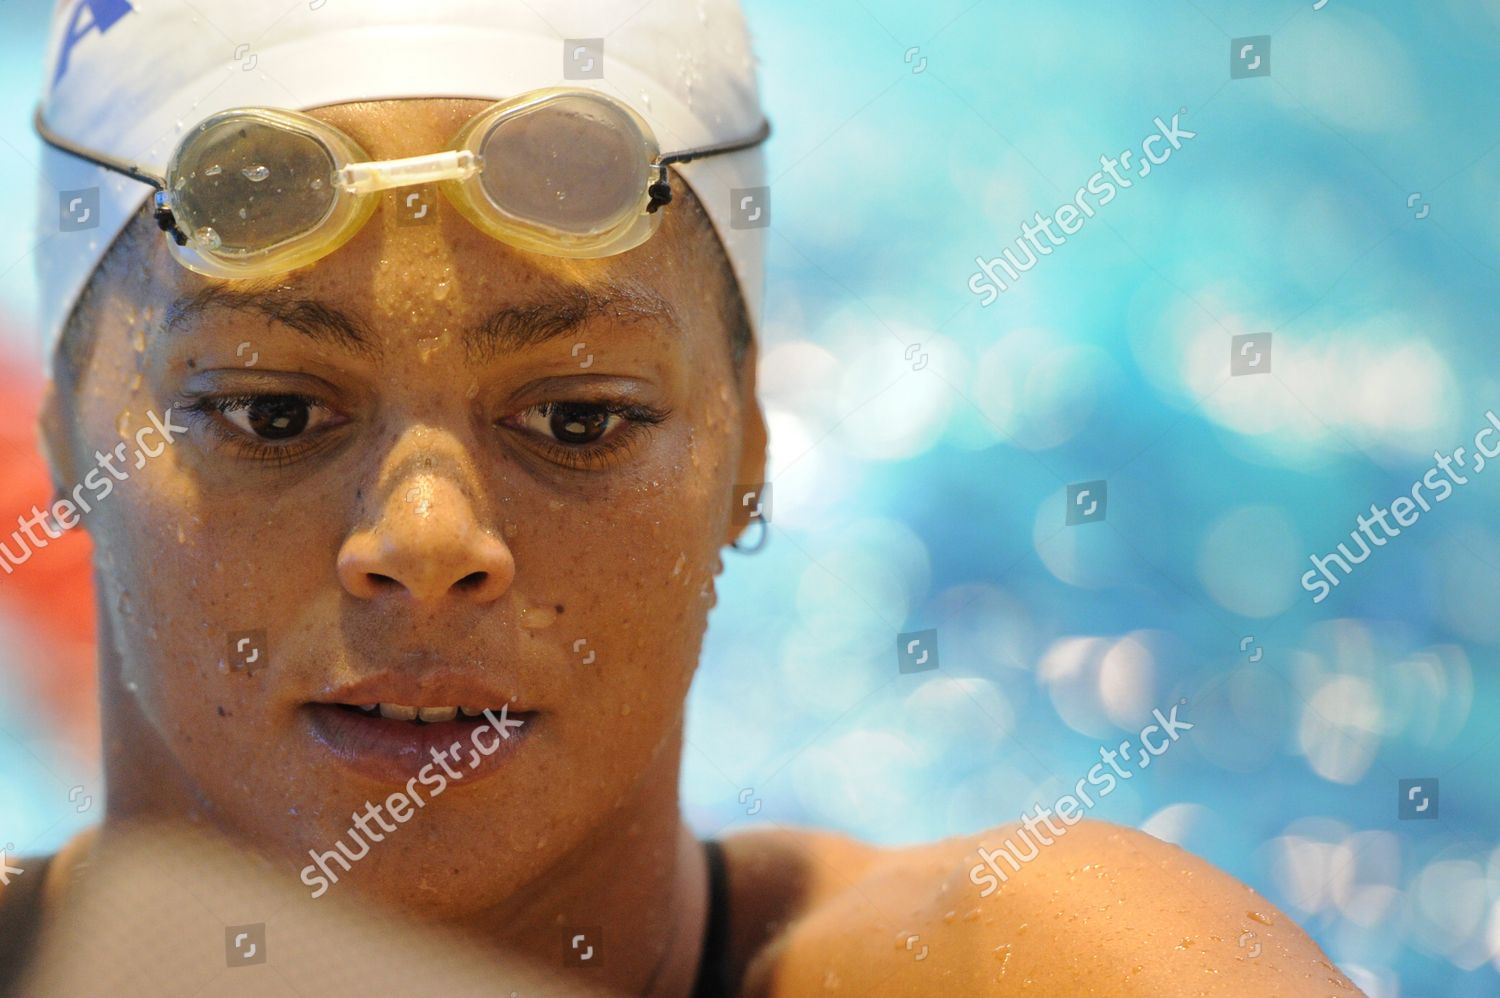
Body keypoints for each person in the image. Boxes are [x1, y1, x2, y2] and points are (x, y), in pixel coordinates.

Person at [1, 1, 1363, 995]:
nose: (424, 544)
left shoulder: (1047, 962)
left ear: (753, 448)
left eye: (581, 418)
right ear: (62, 441)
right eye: (272, 413)